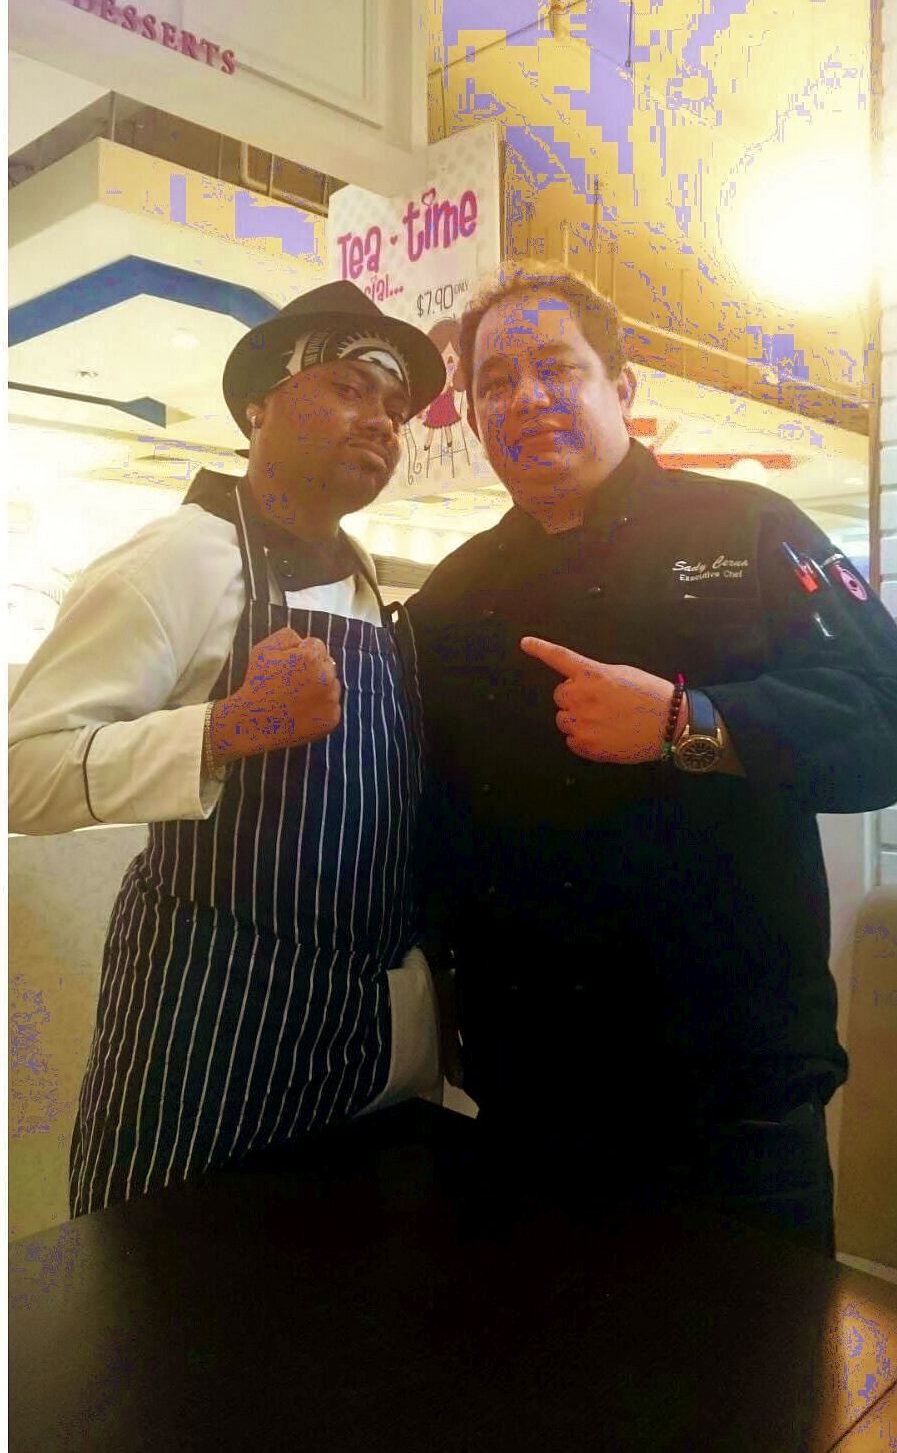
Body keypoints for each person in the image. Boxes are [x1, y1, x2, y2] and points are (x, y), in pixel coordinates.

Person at [406, 260, 897, 1256]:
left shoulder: (748, 527)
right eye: (496, 381)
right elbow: (432, 821)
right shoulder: (449, 596)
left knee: (756, 1353)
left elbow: (883, 724)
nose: (525, 397)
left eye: (557, 368)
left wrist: (689, 720)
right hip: (530, 1088)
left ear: (621, 387)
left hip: (732, 1091)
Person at [8, 280, 448, 1218]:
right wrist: (222, 728)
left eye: (396, 407)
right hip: (209, 1034)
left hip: (360, 1043)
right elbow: (21, 770)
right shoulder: (177, 558)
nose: (381, 419)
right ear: (257, 407)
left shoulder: (368, 582)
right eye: (349, 387)